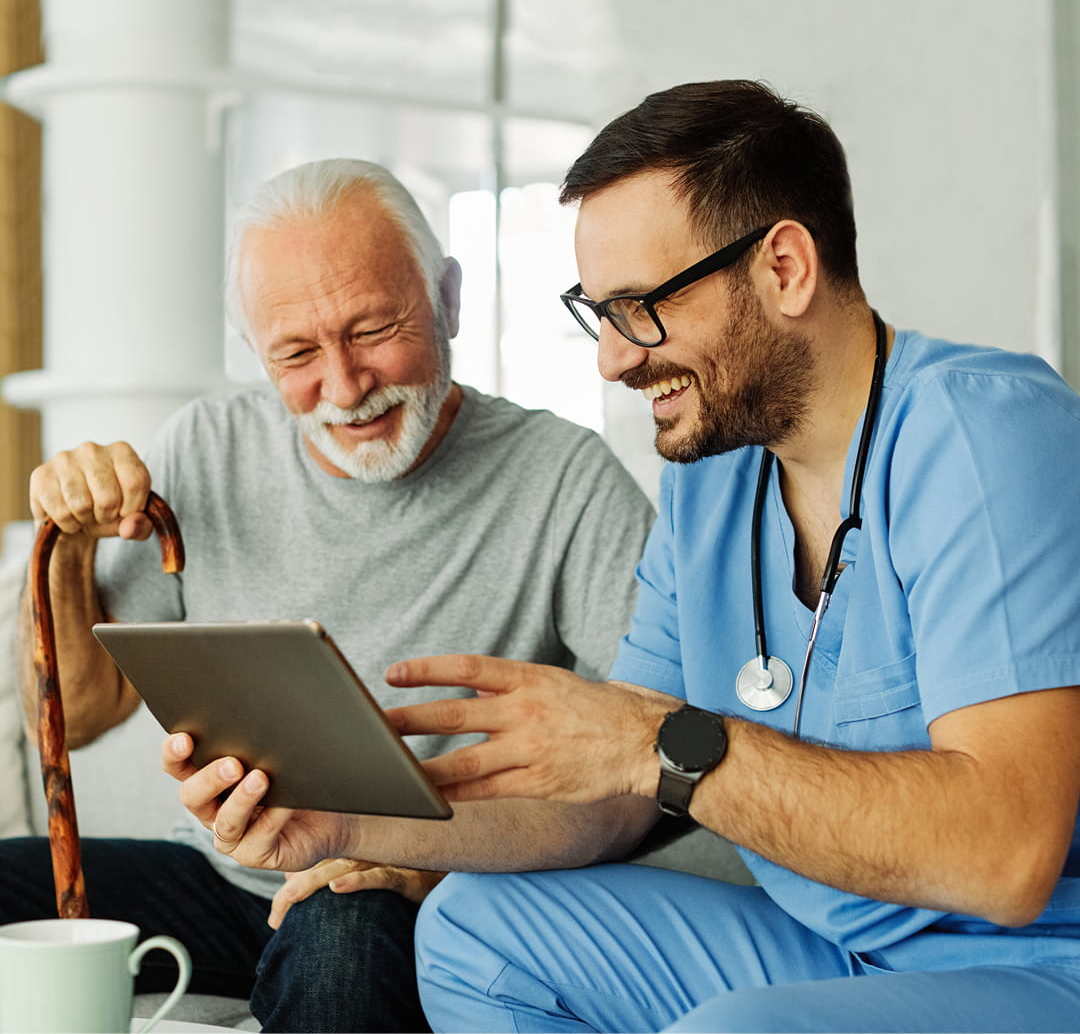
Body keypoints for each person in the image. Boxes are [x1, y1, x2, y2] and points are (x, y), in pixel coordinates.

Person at [167, 82, 1080, 1032]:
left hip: (1031, 960)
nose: (610, 358)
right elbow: (612, 800)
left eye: (640, 307)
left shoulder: (981, 434)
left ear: (784, 268)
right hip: (825, 934)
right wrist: (343, 825)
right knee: (475, 932)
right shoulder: (714, 476)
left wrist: (658, 739)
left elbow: (1007, 857)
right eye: (595, 311)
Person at [1, 158, 655, 1033]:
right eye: (298, 354)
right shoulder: (206, 445)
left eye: (375, 329)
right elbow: (76, 717)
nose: (346, 389)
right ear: (257, 351)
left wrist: (431, 863)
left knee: (344, 924)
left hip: (413, 889)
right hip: (226, 874)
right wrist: (71, 543)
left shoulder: (566, 479)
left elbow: (654, 768)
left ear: (448, 300)